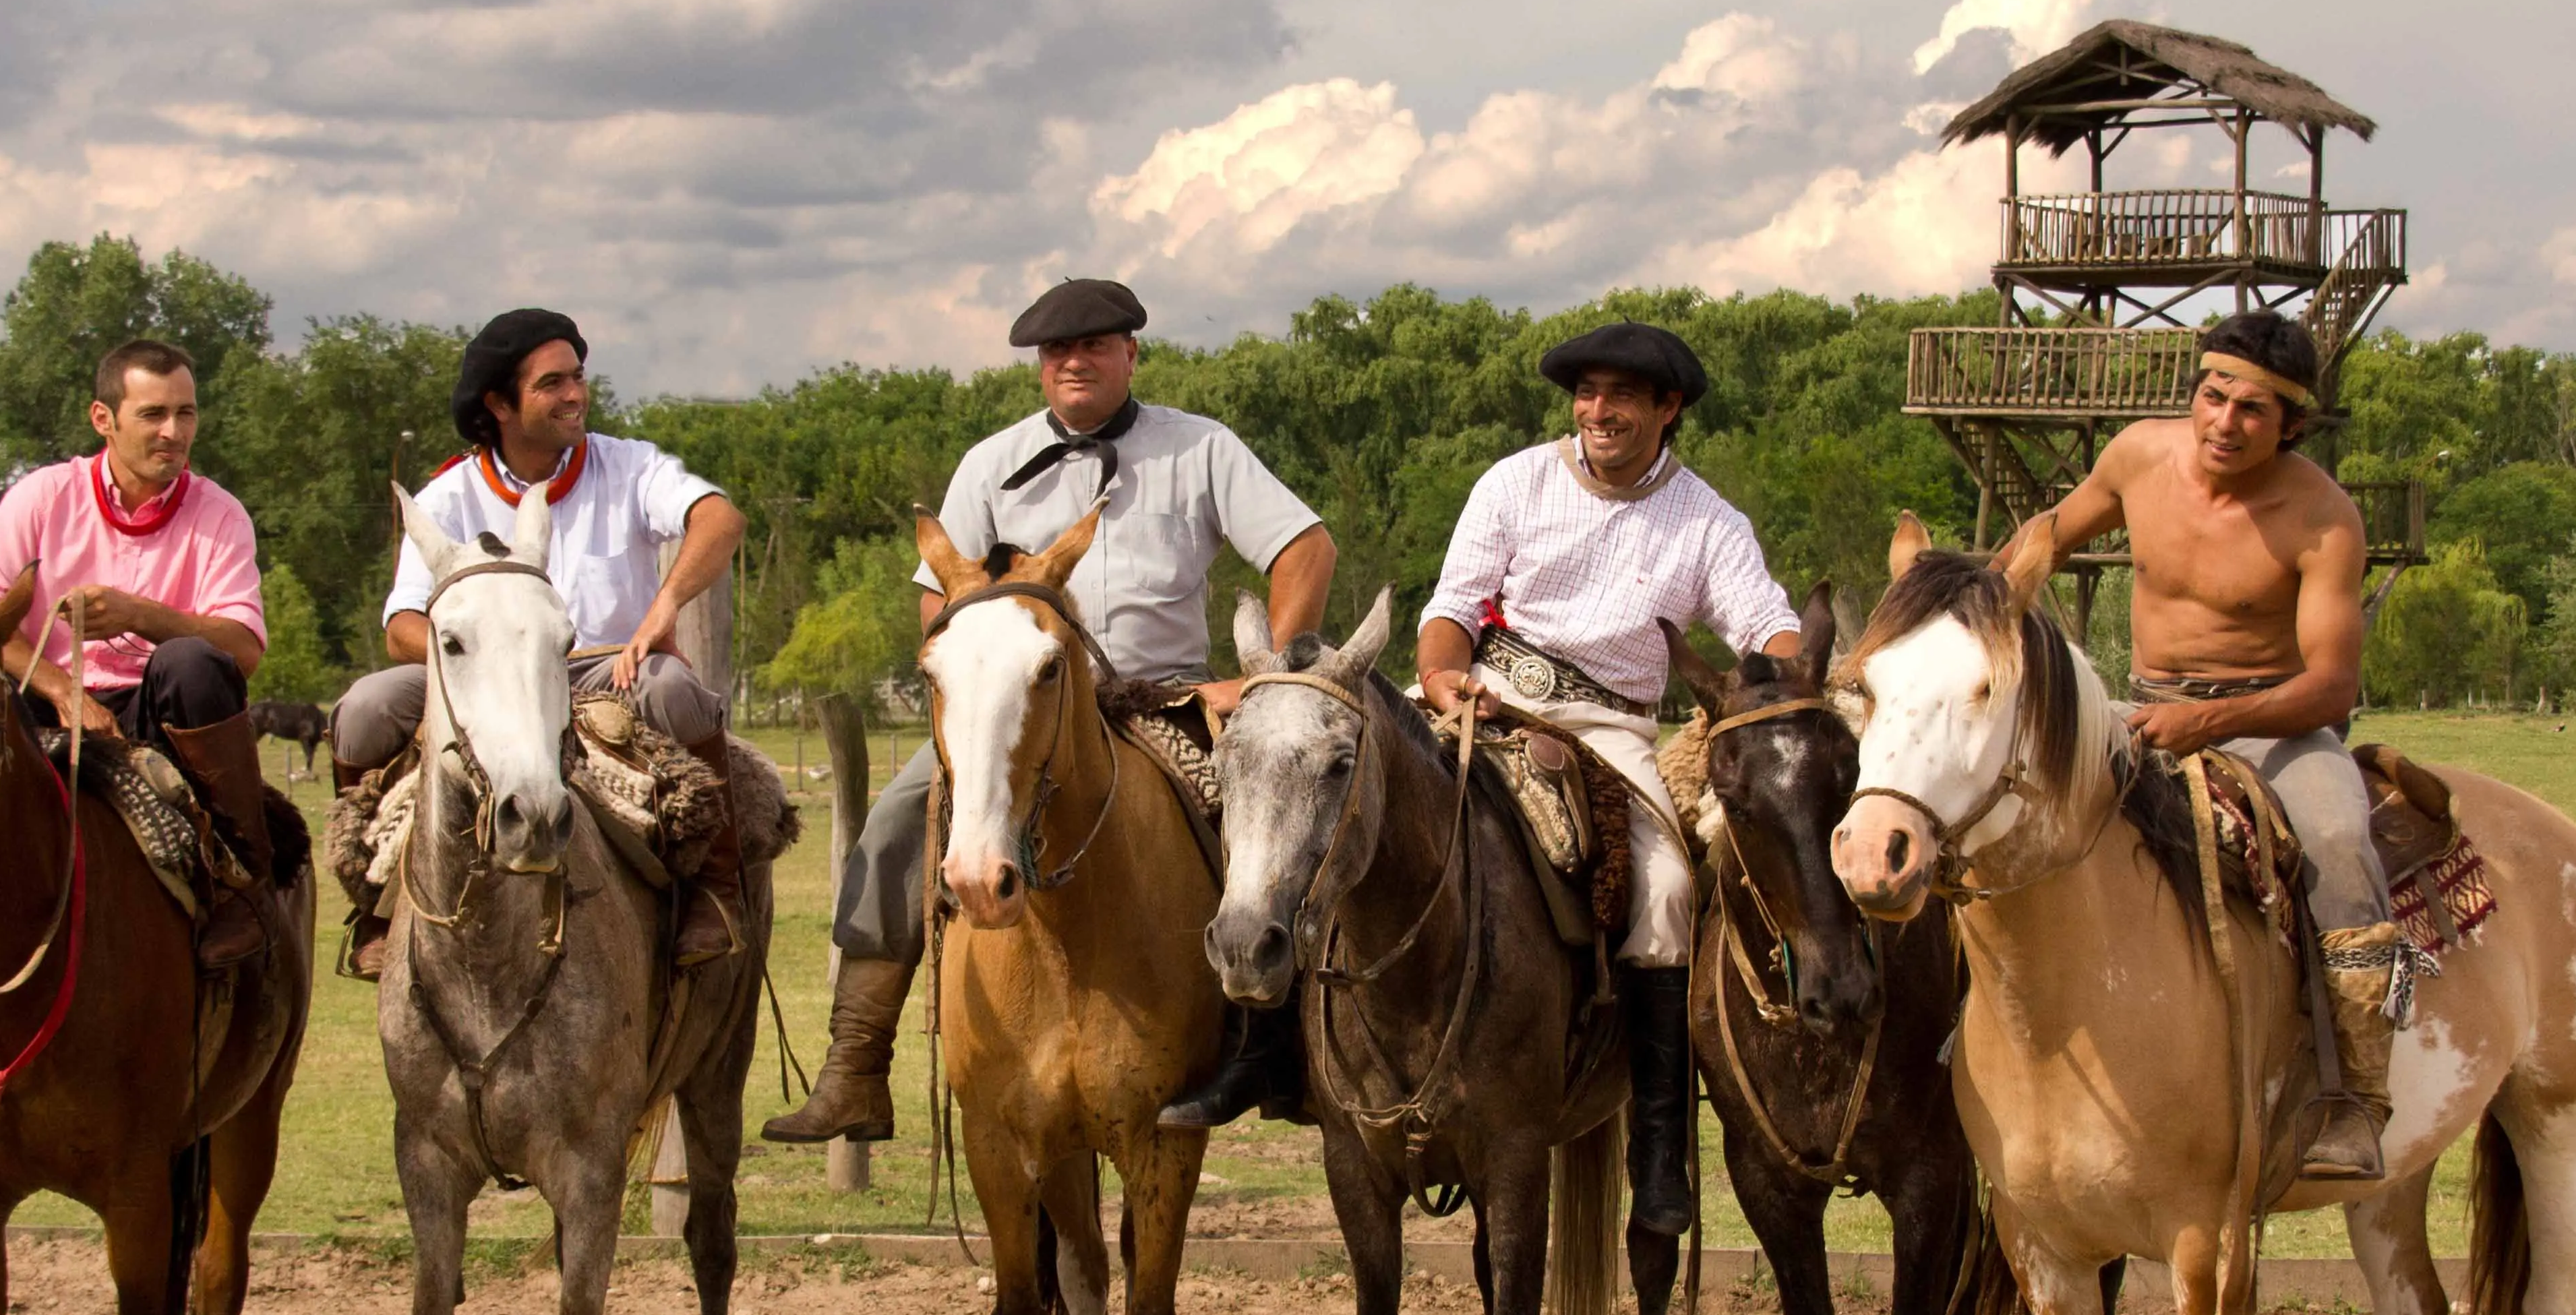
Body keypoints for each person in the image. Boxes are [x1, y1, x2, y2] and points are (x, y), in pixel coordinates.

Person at [762, 276, 1338, 1146]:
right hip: (1018, 705)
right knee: (892, 823)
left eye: (1097, 347)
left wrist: (1261, 679)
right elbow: (941, 598)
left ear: (1130, 356)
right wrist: (976, 683)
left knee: (1271, 825)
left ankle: (1282, 1050)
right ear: (1040, 366)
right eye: (1059, 351)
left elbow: (1306, 548)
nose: (1077, 361)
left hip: (1160, 699)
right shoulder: (990, 463)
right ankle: (856, 1064)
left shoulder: (1203, 449)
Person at [1418, 320, 1802, 1239]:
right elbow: (1454, 603)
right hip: (1489, 690)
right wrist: (1439, 677)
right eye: (1587, 394)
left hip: (1609, 726)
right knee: (1341, 789)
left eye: (1622, 397)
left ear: (1668, 411)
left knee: (1666, 890)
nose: (1599, 412)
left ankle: (1660, 1154)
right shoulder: (1514, 481)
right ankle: (1281, 1054)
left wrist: (1791, 680)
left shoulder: (1707, 519)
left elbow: (1768, 627)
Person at [2028, 306, 2397, 1183]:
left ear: (2292, 425)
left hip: (2278, 726)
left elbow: (2332, 685)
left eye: (2253, 410)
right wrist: (1972, 600)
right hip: (2145, 706)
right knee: (1998, 789)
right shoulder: (2136, 458)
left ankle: (2354, 1099)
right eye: (2213, 395)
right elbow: (2045, 537)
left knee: (2342, 846)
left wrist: (2210, 723)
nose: (2225, 423)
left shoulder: (2324, 519)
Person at [329, 308, 748, 977]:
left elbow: (719, 518)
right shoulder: (448, 496)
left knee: (676, 691)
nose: (575, 394)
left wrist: (663, 607)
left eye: (578, 377)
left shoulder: (631, 466)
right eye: (552, 383)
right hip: (480, 682)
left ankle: (714, 893)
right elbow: (401, 626)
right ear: (499, 403)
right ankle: (372, 901)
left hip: (605, 668)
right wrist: (477, 653)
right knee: (364, 709)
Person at [0, 337, 282, 971]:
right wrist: (59, 689)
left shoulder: (220, 513)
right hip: (47, 707)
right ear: (104, 419)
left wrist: (142, 615)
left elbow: (242, 651)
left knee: (194, 663)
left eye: (186, 413)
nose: (173, 432)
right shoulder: (43, 496)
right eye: (153, 414)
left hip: (161, 714)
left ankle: (244, 885)